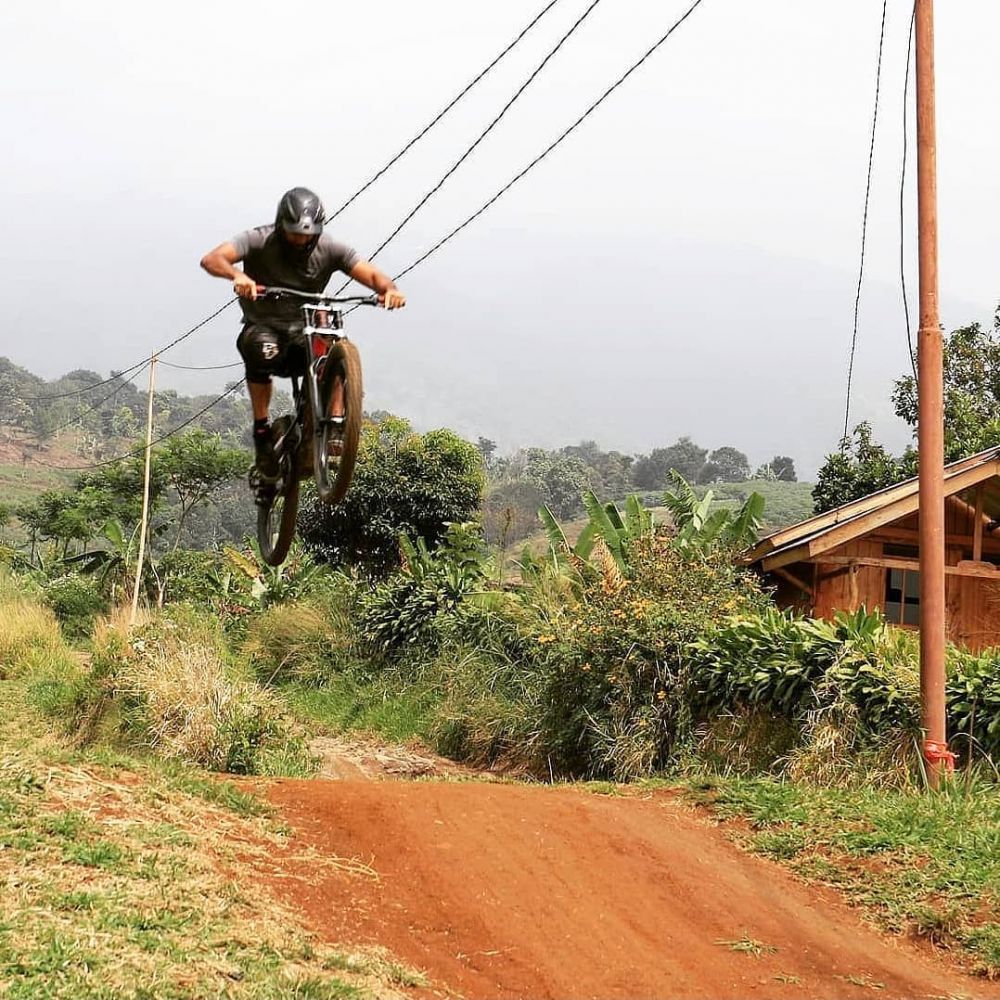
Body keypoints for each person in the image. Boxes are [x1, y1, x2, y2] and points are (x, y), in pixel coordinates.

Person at [200, 186, 405, 478]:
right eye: (295, 233)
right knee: (260, 350)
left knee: (336, 342)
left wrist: (389, 289)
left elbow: (369, 273)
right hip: (266, 329)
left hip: (304, 330)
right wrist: (238, 275)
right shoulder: (258, 239)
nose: (301, 240)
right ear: (281, 226)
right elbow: (213, 259)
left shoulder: (330, 248)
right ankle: (262, 432)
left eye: (308, 235)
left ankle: (333, 424)